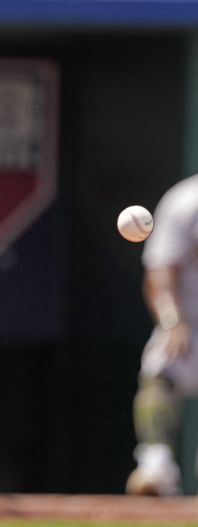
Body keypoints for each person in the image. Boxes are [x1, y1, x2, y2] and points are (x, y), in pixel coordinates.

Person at [126, 174, 198, 497]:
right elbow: (160, 272)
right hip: (190, 323)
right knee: (161, 369)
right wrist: (172, 320)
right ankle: (157, 468)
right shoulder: (186, 201)